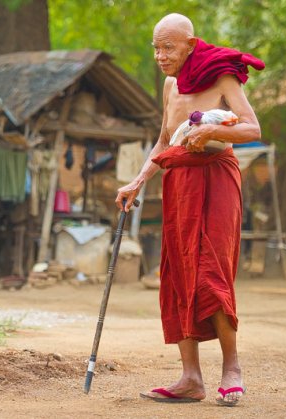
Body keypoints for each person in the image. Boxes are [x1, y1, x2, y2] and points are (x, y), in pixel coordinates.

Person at [115, 13, 264, 406]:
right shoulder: (169, 86)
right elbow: (165, 140)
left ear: (190, 44)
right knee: (179, 272)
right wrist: (137, 181)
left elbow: (252, 129)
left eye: (168, 48)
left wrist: (212, 130)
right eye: (156, 48)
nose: (160, 55)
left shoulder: (222, 77)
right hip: (178, 183)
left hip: (217, 177)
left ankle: (231, 368)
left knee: (211, 270)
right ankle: (190, 378)